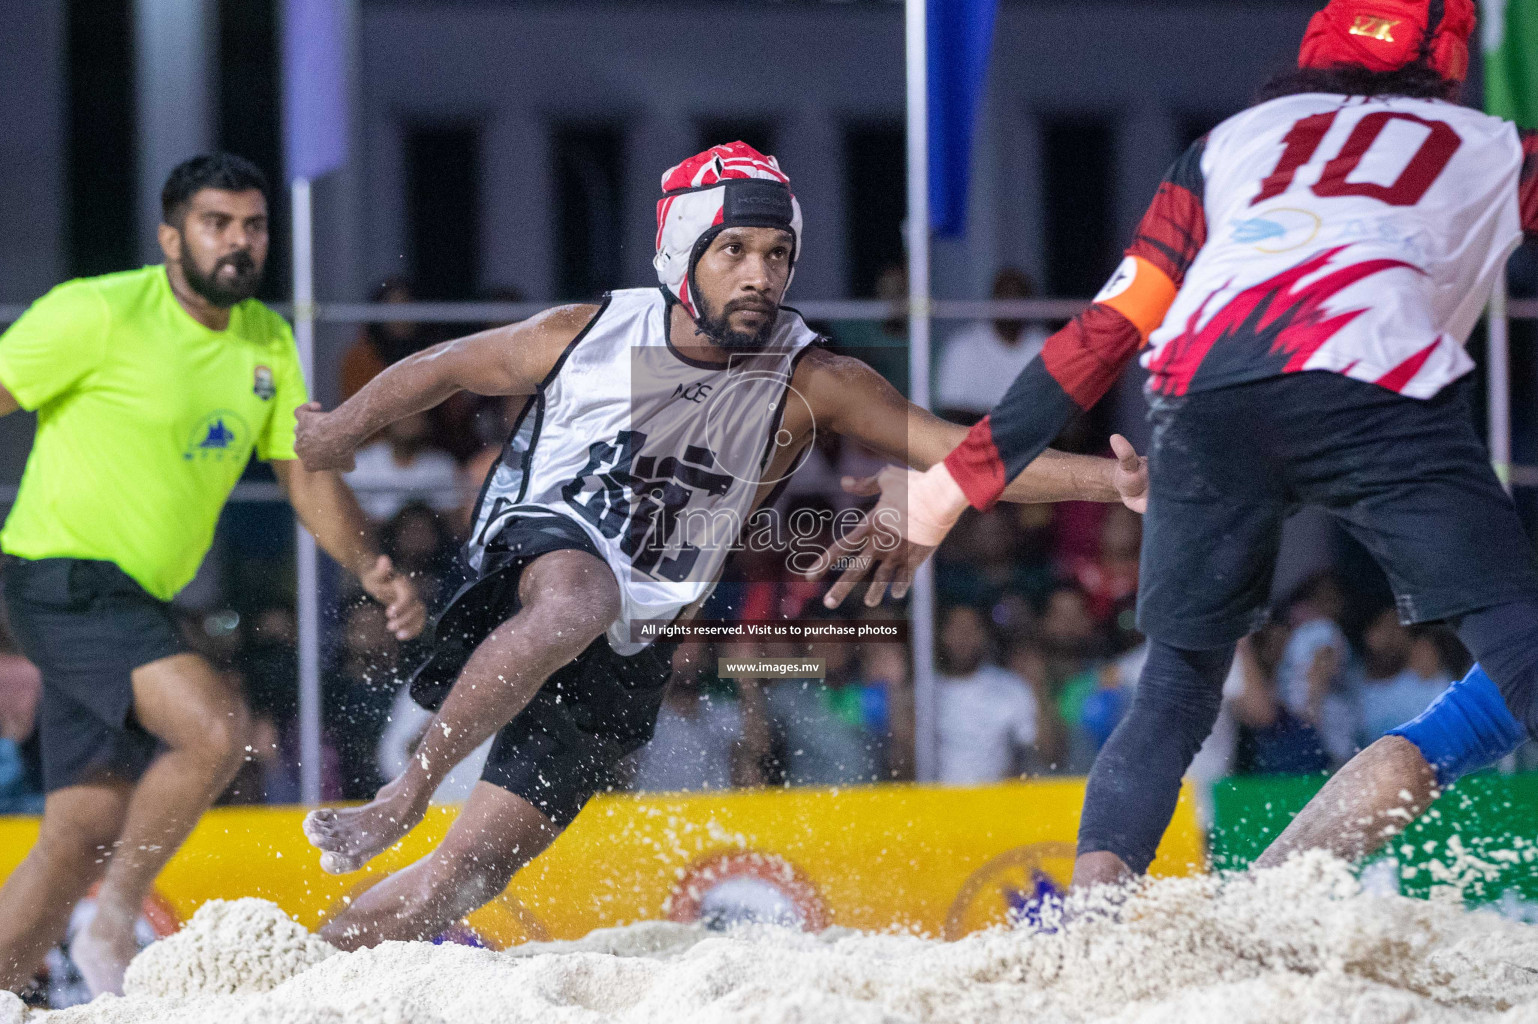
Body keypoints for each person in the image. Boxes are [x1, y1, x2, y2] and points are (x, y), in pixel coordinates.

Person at [290, 141, 1148, 948]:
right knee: (581, 596)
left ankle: (302, 969)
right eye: (735, 249)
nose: (761, 274)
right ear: (681, 256)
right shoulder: (592, 333)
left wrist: (1115, 482)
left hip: (635, 643)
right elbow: (443, 365)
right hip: (539, 555)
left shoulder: (814, 379)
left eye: (778, 253)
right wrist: (338, 434)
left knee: (460, 877)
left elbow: (968, 452)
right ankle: (405, 794)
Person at [825, 0, 1538, 886]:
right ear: (1452, 64)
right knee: (1523, 653)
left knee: (1176, 688)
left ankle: (1091, 929)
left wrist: (939, 495)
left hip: (1200, 391)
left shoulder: (1230, 144)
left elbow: (1101, 335)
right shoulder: (1494, 147)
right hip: (1375, 377)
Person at [0, 153, 426, 996]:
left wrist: (369, 564)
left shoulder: (266, 340)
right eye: (216, 224)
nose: (239, 242)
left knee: (82, 824)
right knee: (215, 727)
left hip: (135, 597)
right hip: (61, 572)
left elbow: (304, 472)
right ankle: (112, 927)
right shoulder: (96, 311)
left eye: (253, 226)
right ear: (171, 238)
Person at [933, 604, 1038, 784]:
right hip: (932, 801)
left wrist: (1038, 684)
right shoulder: (924, 691)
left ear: (984, 636)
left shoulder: (1011, 687)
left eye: (971, 629)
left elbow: (1038, 755)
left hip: (995, 800)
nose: (963, 638)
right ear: (941, 634)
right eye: (956, 629)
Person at [935, 267, 1050, 422]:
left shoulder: (1048, 346)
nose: (1012, 304)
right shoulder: (963, 346)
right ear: (992, 300)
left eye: (1018, 297)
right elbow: (952, 414)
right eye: (1005, 296)